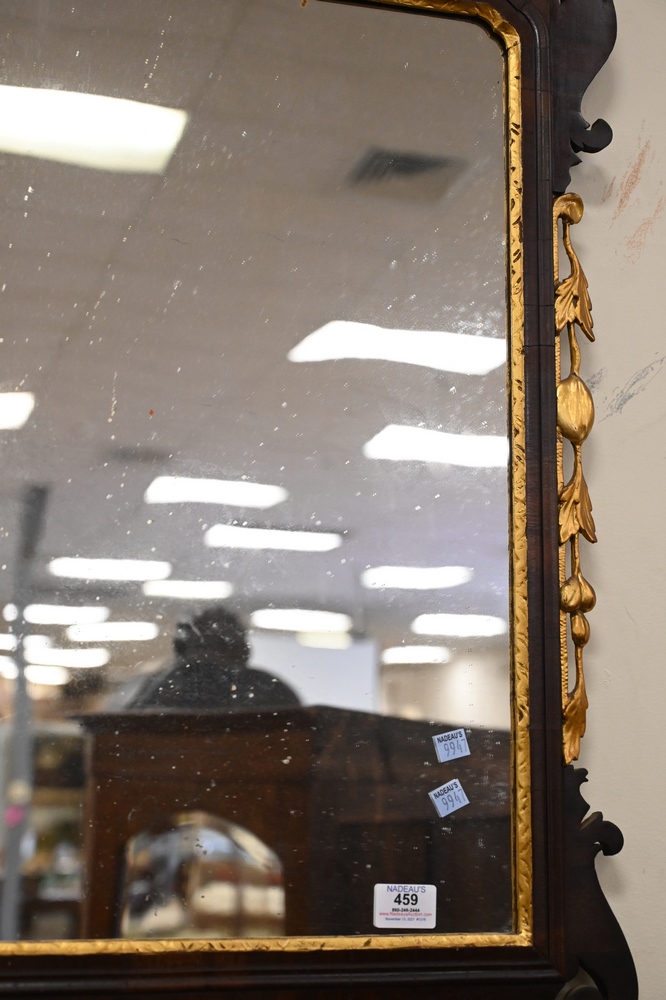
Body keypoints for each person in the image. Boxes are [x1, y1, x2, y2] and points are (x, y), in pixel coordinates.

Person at [126, 605, 300, 711]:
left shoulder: (164, 683)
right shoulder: (267, 686)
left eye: (222, 643)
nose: (212, 653)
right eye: (204, 644)